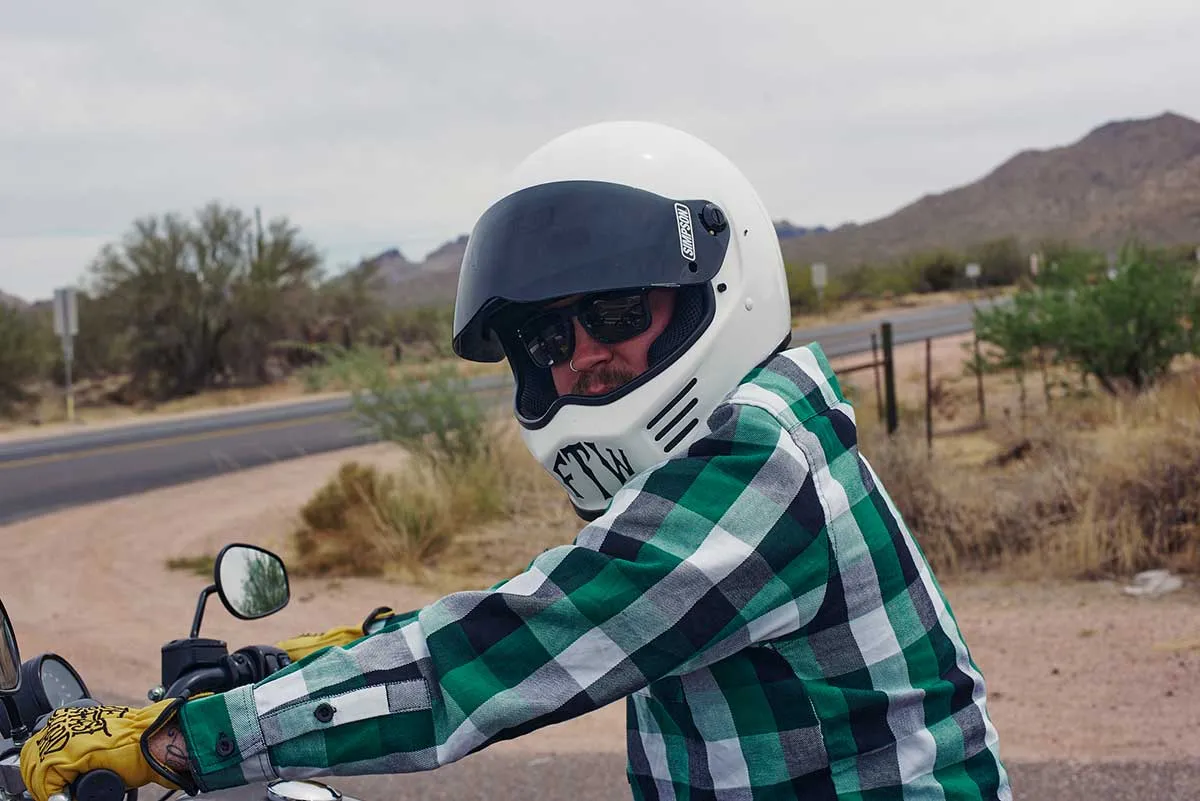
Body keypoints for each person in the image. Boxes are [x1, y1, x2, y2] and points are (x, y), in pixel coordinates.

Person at [20, 121, 1011, 800]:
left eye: (616, 310)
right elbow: (550, 599)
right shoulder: (749, 444)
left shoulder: (759, 465)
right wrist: (301, 661)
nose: (580, 357)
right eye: (545, 337)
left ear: (713, 281)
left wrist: (173, 744)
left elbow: (506, 655)